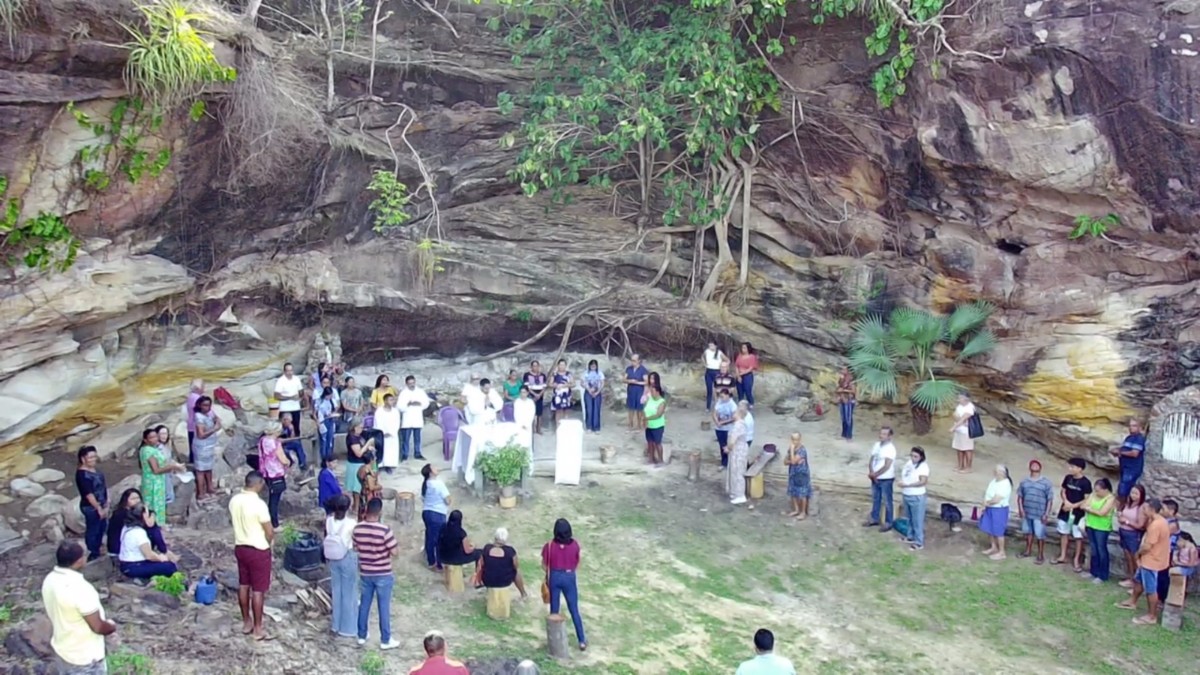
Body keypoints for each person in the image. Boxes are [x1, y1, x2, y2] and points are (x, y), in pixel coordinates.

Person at [42, 541, 117, 674]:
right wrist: (111, 626)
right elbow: (98, 627)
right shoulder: (81, 589)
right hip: (84, 657)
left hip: (62, 649)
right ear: (79, 561)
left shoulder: (50, 579)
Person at [230, 471, 275, 641]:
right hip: (258, 549)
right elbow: (269, 530)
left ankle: (246, 622)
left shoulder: (234, 500)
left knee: (243, 584)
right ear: (257, 484)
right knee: (258, 590)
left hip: (240, 546)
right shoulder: (259, 504)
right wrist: (269, 542)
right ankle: (258, 628)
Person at [353, 497, 400, 650]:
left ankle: (361, 635)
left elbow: (355, 547)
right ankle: (385, 639)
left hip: (366, 572)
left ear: (366, 510)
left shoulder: (357, 529)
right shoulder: (384, 530)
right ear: (379, 512)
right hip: (383, 572)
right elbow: (394, 551)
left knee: (364, 604)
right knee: (383, 607)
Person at [1118, 497, 1171, 626]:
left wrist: (1138, 553)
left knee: (1150, 589)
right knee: (1138, 580)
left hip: (1151, 561)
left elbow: (1148, 546)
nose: (1143, 510)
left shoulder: (1156, 525)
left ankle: (1151, 616)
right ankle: (1132, 601)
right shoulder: (1160, 521)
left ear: (1151, 509)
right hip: (1150, 560)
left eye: (1145, 508)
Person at [541, 518, 586, 651]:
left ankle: (555, 642)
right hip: (569, 576)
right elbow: (577, 563)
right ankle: (581, 640)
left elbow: (544, 565)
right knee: (574, 609)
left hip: (554, 576)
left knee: (554, 609)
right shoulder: (575, 545)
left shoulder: (549, 546)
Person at [324, 494, 357, 638]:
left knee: (336, 591)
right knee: (349, 592)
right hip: (347, 556)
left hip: (332, 558)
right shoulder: (351, 523)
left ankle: (335, 625)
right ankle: (348, 628)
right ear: (348, 507)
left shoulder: (329, 521)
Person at [117, 505, 180, 580]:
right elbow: (149, 555)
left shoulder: (127, 527)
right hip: (133, 566)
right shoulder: (138, 532)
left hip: (127, 564)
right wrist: (161, 558)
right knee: (169, 567)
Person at [1051, 458, 1092, 571]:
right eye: (1070, 466)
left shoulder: (1086, 482)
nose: (1070, 469)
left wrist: (1073, 506)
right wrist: (1066, 502)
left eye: (1073, 467)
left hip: (1078, 513)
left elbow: (1087, 499)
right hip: (1065, 509)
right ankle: (1063, 555)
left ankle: (1076, 559)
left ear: (1080, 469)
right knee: (1064, 533)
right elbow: (1063, 490)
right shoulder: (1068, 478)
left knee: (1078, 536)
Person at [106, 489, 167, 559]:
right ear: (126, 501)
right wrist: (147, 515)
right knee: (153, 530)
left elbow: (150, 520)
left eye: (138, 498)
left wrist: (150, 513)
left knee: (154, 529)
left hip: (129, 545)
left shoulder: (136, 511)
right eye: (133, 499)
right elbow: (149, 524)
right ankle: (163, 550)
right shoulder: (121, 513)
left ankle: (163, 550)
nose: (136, 501)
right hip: (119, 547)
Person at [1016, 460, 1054, 564]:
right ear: (1029, 468)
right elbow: (1020, 497)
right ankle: (1027, 551)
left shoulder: (1046, 482)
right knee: (1028, 532)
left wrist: (1046, 513)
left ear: (1040, 468)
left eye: (1037, 464)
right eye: (1032, 464)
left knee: (1040, 535)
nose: (1034, 465)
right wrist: (1021, 509)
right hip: (1027, 512)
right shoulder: (1024, 482)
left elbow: (1049, 499)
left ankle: (1040, 554)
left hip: (1040, 513)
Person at [139, 428, 183, 518]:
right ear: (145, 440)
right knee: (155, 504)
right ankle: (155, 524)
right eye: (151, 437)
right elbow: (156, 470)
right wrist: (173, 467)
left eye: (155, 436)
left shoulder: (147, 449)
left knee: (156, 503)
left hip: (154, 480)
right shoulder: (149, 451)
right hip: (153, 481)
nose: (155, 439)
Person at [75, 445, 108, 562]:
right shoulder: (82, 474)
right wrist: (98, 507)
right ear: (83, 459)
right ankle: (92, 552)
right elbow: (89, 494)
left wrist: (106, 504)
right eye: (90, 457)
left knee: (102, 527)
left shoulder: (95, 470)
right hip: (91, 506)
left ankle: (97, 548)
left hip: (101, 503)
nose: (93, 459)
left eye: (94, 456)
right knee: (93, 529)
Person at [475, 527, 528, 598]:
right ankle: (523, 593)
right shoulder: (510, 551)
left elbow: (481, 563)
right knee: (516, 571)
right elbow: (516, 566)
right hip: (504, 582)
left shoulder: (487, 548)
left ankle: (481, 585)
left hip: (488, 581)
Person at [1081, 477, 1116, 582]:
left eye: (1098, 490)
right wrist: (1092, 509)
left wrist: (1089, 509)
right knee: (1094, 550)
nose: (1096, 492)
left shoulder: (1110, 499)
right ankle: (1093, 572)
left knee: (1101, 550)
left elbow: (1102, 512)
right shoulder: (1093, 495)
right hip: (1090, 524)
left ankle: (1102, 575)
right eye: (1095, 490)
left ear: (1105, 490)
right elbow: (1083, 505)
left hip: (1102, 528)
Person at [258, 421, 292, 528]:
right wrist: (288, 462)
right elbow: (283, 459)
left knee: (272, 498)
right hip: (276, 473)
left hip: (266, 472)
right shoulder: (275, 443)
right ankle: (274, 524)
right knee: (275, 500)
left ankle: (272, 520)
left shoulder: (262, 441)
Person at [864, 427, 897, 532]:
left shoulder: (891, 449)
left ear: (889, 436)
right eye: (881, 433)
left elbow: (887, 465)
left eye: (884, 434)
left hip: (886, 478)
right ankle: (874, 518)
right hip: (875, 476)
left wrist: (876, 474)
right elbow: (872, 459)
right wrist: (871, 471)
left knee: (887, 500)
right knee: (875, 498)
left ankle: (888, 522)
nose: (881, 435)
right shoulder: (877, 445)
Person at [898, 447, 930, 551]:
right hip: (907, 494)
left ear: (921, 457)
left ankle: (919, 542)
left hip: (917, 495)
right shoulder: (909, 463)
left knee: (917, 520)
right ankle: (910, 536)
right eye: (911, 455)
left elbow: (923, 481)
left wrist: (908, 485)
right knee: (909, 518)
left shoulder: (923, 467)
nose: (913, 458)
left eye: (915, 456)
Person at [1117, 484, 1148, 588]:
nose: (1133, 495)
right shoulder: (1128, 503)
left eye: (1136, 493)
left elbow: (1140, 525)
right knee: (1127, 556)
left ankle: (1137, 581)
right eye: (1132, 493)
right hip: (1123, 532)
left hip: (1133, 534)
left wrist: (1126, 521)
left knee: (1134, 557)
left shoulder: (1141, 507)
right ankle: (1131, 577)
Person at [421, 463, 451, 570]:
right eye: (434, 467)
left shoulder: (426, 484)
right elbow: (448, 500)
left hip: (427, 512)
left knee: (430, 536)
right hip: (437, 514)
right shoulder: (439, 484)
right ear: (430, 472)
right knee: (438, 540)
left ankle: (430, 558)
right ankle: (435, 562)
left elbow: (423, 498)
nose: (437, 468)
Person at [980, 464, 1013, 560]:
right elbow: (988, 493)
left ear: (1003, 473)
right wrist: (985, 503)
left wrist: (987, 503)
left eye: (997, 471)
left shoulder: (1005, 484)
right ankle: (993, 547)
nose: (995, 472)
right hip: (990, 508)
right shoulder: (994, 481)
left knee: (998, 531)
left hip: (999, 509)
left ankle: (1002, 552)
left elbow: (997, 499)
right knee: (989, 528)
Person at [1110, 418, 1146, 507]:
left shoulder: (1139, 439)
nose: (1131, 428)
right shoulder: (1129, 438)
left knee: (1123, 489)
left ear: (1140, 427)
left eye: (1134, 426)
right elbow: (1125, 450)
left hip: (1132, 469)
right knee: (1123, 487)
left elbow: (1134, 453)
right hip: (1125, 467)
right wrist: (1117, 452)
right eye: (1130, 426)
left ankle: (1121, 508)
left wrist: (1119, 452)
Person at [437, 510, 483, 578]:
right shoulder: (461, 533)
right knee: (479, 553)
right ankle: (478, 578)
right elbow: (467, 551)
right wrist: (473, 547)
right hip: (454, 558)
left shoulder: (443, 528)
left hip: (442, 557)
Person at [192, 395, 222, 502]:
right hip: (201, 447)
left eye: (209, 405)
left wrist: (217, 420)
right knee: (201, 469)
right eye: (205, 405)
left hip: (210, 446)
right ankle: (201, 492)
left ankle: (210, 487)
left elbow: (216, 419)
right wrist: (214, 429)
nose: (207, 407)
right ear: (199, 405)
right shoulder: (198, 417)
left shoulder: (208, 414)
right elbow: (201, 434)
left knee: (209, 468)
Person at [398, 375, 431, 461]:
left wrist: (420, 404)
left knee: (417, 437)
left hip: (417, 417)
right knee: (406, 438)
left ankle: (417, 453)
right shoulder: (403, 393)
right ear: (406, 384)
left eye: (413, 383)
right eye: (410, 383)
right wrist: (408, 405)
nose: (412, 385)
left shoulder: (420, 392)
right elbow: (399, 406)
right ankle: (405, 454)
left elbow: (426, 403)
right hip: (407, 418)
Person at [345, 422, 374, 514]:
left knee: (360, 488)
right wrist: (367, 445)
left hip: (361, 463)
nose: (361, 429)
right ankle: (356, 507)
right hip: (355, 464)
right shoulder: (352, 438)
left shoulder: (359, 437)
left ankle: (358, 506)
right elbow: (358, 453)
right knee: (356, 488)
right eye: (360, 427)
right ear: (354, 427)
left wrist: (368, 448)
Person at [726, 408, 751, 507]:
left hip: (738, 451)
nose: (733, 413)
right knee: (734, 471)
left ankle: (740, 495)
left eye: (735, 412)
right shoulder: (740, 424)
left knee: (738, 472)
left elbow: (732, 441)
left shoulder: (738, 425)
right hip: (737, 451)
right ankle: (735, 492)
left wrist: (728, 448)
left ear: (739, 414)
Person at [784, 433, 811, 520]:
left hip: (802, 474)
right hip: (793, 473)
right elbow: (785, 461)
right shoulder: (791, 449)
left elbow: (793, 461)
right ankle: (796, 510)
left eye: (796, 439)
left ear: (799, 440)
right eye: (792, 439)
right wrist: (791, 460)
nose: (794, 442)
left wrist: (792, 452)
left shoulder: (802, 450)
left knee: (802, 494)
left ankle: (803, 512)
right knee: (793, 492)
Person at [374, 392, 401, 473]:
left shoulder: (395, 411)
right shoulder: (379, 411)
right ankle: (381, 465)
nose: (392, 402)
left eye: (393, 400)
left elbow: (397, 423)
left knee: (391, 450)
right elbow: (378, 423)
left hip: (392, 434)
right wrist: (383, 432)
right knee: (382, 449)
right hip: (382, 434)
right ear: (385, 401)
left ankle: (389, 465)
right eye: (390, 400)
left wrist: (392, 432)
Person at [951, 392, 977, 473]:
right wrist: (961, 422)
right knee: (959, 449)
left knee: (967, 449)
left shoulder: (970, 407)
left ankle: (968, 467)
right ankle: (960, 466)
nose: (959, 399)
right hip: (959, 431)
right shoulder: (959, 406)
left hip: (966, 432)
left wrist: (953, 427)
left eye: (961, 398)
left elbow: (964, 418)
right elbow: (955, 415)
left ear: (966, 399)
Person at [643, 381, 667, 467]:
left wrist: (647, 418)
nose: (651, 393)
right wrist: (645, 420)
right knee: (650, 443)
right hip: (649, 425)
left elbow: (658, 414)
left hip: (657, 426)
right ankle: (651, 459)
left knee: (657, 443)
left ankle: (661, 461)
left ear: (657, 392)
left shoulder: (662, 402)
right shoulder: (650, 399)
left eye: (652, 391)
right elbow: (645, 409)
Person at [274, 362, 304, 430]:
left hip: (296, 408)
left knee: (296, 428)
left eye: (291, 370)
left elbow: (301, 391)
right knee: (285, 430)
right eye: (288, 371)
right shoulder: (280, 381)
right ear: (284, 371)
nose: (290, 373)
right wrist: (290, 397)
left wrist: (300, 396)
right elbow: (276, 395)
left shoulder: (296, 379)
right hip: (285, 409)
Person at [712, 388, 737, 468]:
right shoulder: (719, 402)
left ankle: (731, 462)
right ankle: (724, 462)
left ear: (727, 395)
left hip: (728, 428)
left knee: (728, 446)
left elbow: (734, 418)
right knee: (722, 445)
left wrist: (723, 422)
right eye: (720, 396)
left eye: (722, 397)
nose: (721, 398)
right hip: (719, 428)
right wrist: (717, 422)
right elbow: (714, 413)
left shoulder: (732, 405)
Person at [624, 354, 648, 431]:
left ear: (639, 361)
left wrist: (637, 382)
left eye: (634, 360)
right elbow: (624, 379)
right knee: (630, 408)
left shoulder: (643, 370)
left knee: (639, 409)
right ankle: (630, 425)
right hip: (631, 390)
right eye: (631, 360)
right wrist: (630, 381)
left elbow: (646, 382)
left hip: (639, 391)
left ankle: (639, 426)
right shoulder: (629, 369)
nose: (632, 362)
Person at [313, 386, 338, 464]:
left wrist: (333, 414)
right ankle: (324, 459)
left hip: (330, 420)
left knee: (330, 440)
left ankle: (329, 457)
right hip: (322, 422)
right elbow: (315, 413)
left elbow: (333, 409)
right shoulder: (319, 401)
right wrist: (317, 421)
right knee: (323, 441)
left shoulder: (331, 401)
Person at [701, 341, 728, 411]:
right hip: (709, 371)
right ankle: (708, 407)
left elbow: (727, 360)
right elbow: (702, 357)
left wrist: (723, 366)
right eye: (709, 346)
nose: (710, 347)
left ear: (715, 346)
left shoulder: (719, 353)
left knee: (718, 390)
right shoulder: (707, 351)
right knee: (709, 390)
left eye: (712, 346)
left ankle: (718, 406)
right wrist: (705, 364)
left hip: (717, 371)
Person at [357, 451, 384, 521]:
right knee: (370, 511)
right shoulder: (368, 474)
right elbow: (371, 487)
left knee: (362, 510)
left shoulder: (361, 468)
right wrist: (380, 486)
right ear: (371, 460)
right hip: (369, 495)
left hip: (363, 492)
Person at [523, 361, 548, 434]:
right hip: (531, 395)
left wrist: (539, 394)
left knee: (539, 413)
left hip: (540, 395)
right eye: (534, 366)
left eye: (537, 366)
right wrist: (534, 394)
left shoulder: (542, 375)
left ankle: (538, 429)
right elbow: (527, 387)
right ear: (531, 367)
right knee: (531, 413)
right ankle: (532, 429)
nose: (535, 367)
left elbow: (544, 387)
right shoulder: (527, 375)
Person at [185, 378, 204, 465]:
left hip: (191, 425)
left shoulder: (190, 397)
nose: (204, 388)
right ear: (198, 388)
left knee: (193, 449)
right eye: (203, 386)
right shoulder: (197, 398)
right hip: (196, 427)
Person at [582, 359, 604, 433]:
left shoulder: (600, 373)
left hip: (597, 392)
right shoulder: (586, 373)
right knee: (589, 409)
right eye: (592, 365)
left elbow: (602, 383)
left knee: (596, 410)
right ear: (589, 365)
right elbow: (582, 383)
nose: (593, 366)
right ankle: (589, 427)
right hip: (588, 392)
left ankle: (596, 427)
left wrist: (598, 392)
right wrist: (588, 389)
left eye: (594, 365)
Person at [734, 342, 759, 407]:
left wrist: (742, 373)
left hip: (747, 375)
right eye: (742, 347)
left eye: (744, 348)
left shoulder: (752, 357)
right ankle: (741, 404)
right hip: (739, 375)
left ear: (748, 348)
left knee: (747, 390)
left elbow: (751, 368)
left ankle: (751, 403)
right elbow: (736, 366)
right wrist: (738, 375)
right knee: (740, 391)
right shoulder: (739, 356)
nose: (743, 349)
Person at [550, 359, 574, 427]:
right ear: (558, 365)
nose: (562, 366)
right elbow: (550, 384)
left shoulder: (568, 374)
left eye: (563, 365)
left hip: (566, 395)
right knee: (558, 411)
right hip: (558, 396)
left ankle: (565, 427)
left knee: (566, 411)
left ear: (565, 366)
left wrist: (566, 385)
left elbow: (573, 384)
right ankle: (558, 427)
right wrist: (555, 385)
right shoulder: (554, 374)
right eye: (560, 365)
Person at [836, 366, 855, 441]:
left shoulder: (851, 380)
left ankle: (849, 435)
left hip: (849, 401)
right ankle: (844, 434)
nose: (842, 371)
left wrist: (843, 390)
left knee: (848, 418)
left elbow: (853, 391)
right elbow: (838, 388)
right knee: (843, 418)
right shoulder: (841, 379)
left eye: (844, 369)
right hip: (842, 399)